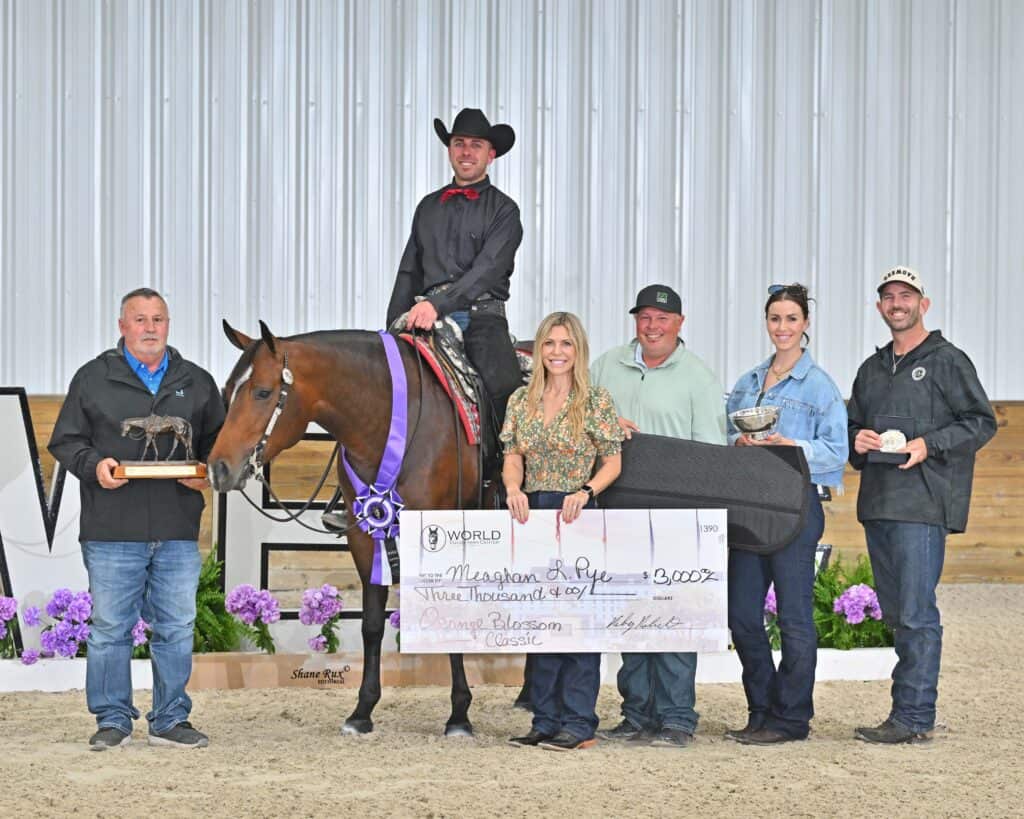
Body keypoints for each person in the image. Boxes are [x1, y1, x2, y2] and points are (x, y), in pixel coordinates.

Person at [48, 287, 225, 751]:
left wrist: (205, 472)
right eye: (140, 319)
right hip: (111, 530)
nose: (150, 328)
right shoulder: (92, 378)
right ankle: (112, 718)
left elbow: (219, 444)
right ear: (122, 326)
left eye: (158, 319)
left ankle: (170, 718)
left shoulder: (198, 381)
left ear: (169, 325)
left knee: (177, 626)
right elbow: (65, 441)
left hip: (177, 528)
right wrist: (94, 466)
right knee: (110, 628)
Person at [848, 266, 995, 744]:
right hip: (879, 504)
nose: (897, 303)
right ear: (880, 307)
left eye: (906, 295)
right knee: (898, 613)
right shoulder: (870, 369)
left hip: (924, 506)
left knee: (916, 614)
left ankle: (913, 717)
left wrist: (927, 445)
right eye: (889, 296)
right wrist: (860, 439)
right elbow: (851, 433)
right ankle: (907, 713)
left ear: (923, 304)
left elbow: (980, 422)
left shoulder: (948, 360)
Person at [590, 284, 727, 748]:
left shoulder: (699, 378)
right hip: (618, 507)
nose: (652, 326)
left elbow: (711, 455)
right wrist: (606, 426)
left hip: (676, 514)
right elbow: (579, 419)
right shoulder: (607, 365)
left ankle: (676, 717)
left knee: (673, 617)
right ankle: (636, 713)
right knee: (631, 615)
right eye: (645, 317)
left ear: (679, 324)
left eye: (662, 319)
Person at [724, 283, 848, 745]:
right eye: (775, 319)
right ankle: (762, 706)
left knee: (794, 618)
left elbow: (838, 452)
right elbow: (725, 435)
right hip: (750, 508)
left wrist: (792, 447)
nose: (782, 327)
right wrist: (736, 443)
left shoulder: (820, 387)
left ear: (805, 325)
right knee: (742, 615)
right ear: (767, 323)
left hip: (796, 506)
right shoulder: (748, 382)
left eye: (791, 319)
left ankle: (792, 718)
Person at [502, 312, 624, 751]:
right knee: (543, 619)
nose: (557, 352)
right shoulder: (521, 400)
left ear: (579, 351)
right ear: (539, 350)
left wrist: (587, 490)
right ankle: (545, 719)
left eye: (566, 344)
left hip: (577, 513)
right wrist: (513, 487)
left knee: (578, 621)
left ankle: (578, 722)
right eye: (550, 343)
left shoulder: (595, 401)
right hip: (532, 512)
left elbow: (613, 459)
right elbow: (513, 453)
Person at [387, 107, 524, 434]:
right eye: (459, 142)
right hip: (425, 314)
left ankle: (502, 477)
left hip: (480, 315)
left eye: (476, 145)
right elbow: (409, 272)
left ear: (491, 155)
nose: (466, 151)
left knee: (504, 390)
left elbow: (487, 270)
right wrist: (392, 327)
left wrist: (437, 304)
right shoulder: (428, 206)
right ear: (450, 150)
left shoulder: (505, 210)